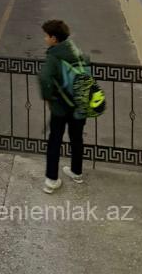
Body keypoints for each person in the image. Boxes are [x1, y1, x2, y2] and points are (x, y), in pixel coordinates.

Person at [38, 20, 87, 194]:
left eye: (46, 36)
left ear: (54, 38)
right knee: (77, 138)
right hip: (79, 104)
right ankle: (77, 172)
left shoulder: (54, 56)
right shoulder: (75, 50)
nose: (45, 39)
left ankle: (51, 180)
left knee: (55, 140)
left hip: (60, 106)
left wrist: (48, 97)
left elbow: (44, 78)